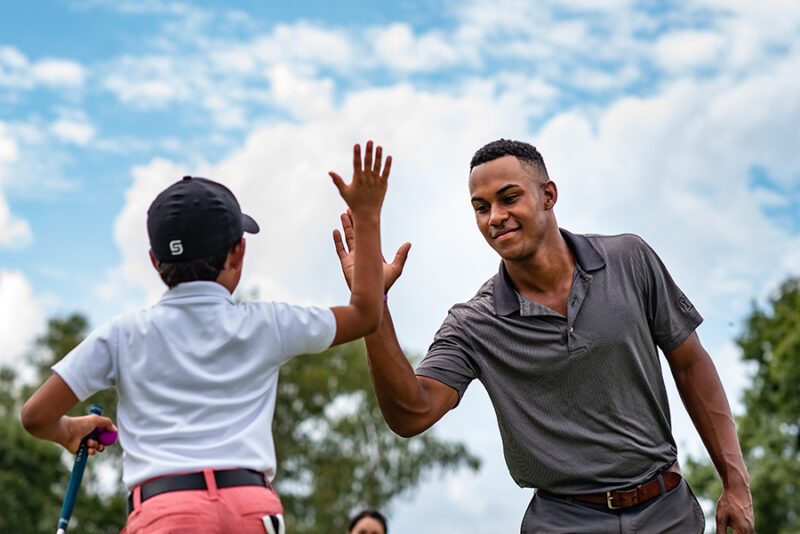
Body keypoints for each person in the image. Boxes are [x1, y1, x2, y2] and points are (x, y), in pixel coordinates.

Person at [332, 139, 754, 533]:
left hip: (668, 512)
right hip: (562, 520)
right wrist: (374, 300)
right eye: (481, 207)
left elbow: (691, 363)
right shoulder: (473, 323)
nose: (495, 216)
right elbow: (411, 413)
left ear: (548, 196)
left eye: (509, 197)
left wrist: (735, 481)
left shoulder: (630, 260)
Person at [20, 141, 391, 533]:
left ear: (153, 262)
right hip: (252, 509)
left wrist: (68, 431)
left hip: (164, 512)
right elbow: (366, 315)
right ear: (238, 254)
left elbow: (34, 416)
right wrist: (366, 217)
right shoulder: (269, 324)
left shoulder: (122, 335)